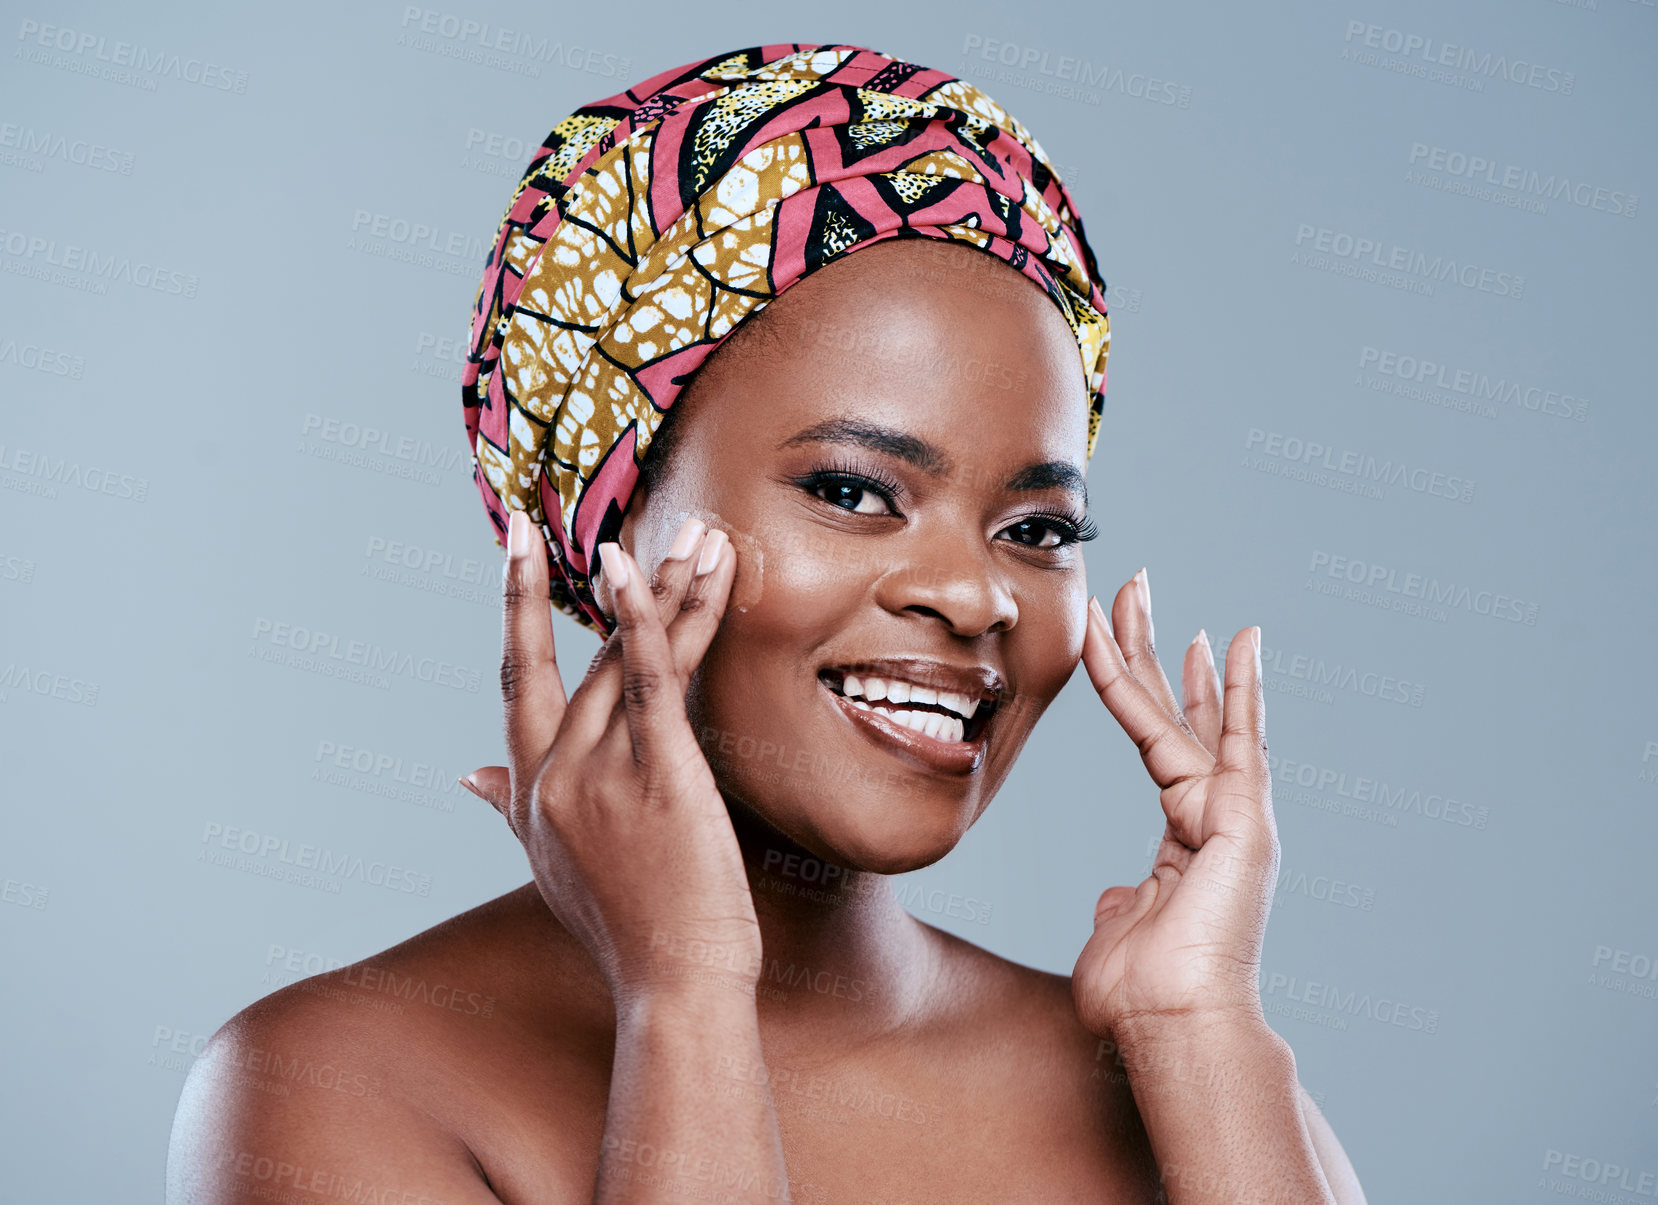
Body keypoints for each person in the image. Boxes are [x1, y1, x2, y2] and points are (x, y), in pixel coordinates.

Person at [168, 44, 1366, 1203]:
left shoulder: (1178, 1078)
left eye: (1037, 528)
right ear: (610, 523)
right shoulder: (338, 1083)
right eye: (851, 490)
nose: (974, 594)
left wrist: (1198, 1030)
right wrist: (683, 998)